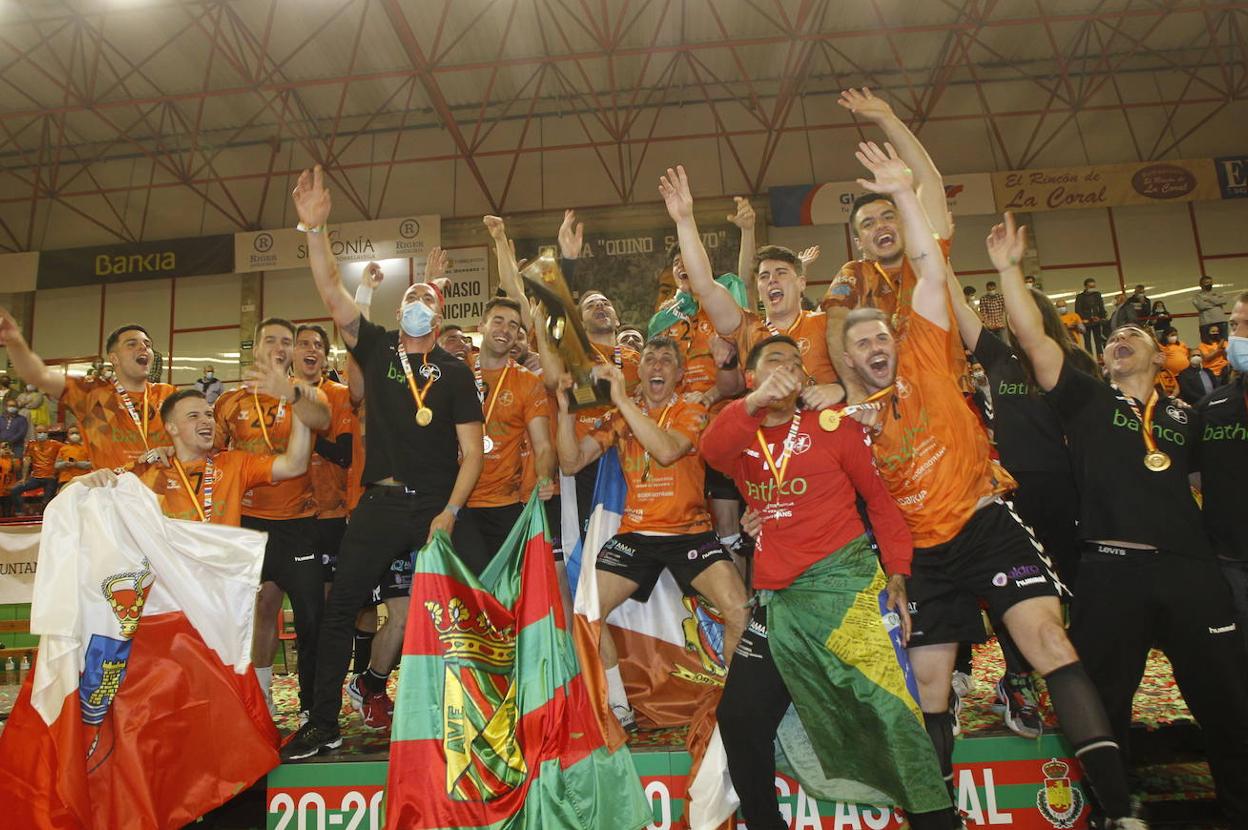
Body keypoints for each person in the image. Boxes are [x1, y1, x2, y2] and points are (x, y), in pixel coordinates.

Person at [841, 143, 1138, 827]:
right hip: (921, 557)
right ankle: (937, 816)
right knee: (930, 686)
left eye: (879, 334)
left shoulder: (924, 350)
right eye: (859, 343)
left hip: (985, 525)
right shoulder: (849, 425)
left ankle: (1120, 811)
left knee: (1051, 646)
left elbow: (923, 263)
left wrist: (905, 193)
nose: (874, 346)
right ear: (848, 359)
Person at [994, 212, 1248, 827]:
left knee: (1227, 701)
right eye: (1112, 336)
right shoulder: (1085, 398)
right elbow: (1035, 340)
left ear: (1161, 354)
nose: (1119, 338)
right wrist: (1008, 270)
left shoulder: (1194, 417)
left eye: (1133, 332)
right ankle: (1115, 809)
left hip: (1191, 573)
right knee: (1105, 699)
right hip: (1110, 570)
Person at [702, 335, 956, 830]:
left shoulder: (832, 426)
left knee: (891, 716)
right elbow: (710, 451)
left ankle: (939, 822)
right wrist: (751, 403)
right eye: (775, 361)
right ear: (752, 377)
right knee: (740, 718)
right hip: (779, 602)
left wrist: (899, 574)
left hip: (845, 587)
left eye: (796, 364)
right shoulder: (740, 437)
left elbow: (881, 505)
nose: (788, 369)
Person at [283, 165, 484, 760]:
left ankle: (472, 713)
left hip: (435, 506)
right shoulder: (376, 348)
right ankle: (323, 721)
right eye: (412, 297)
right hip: (378, 502)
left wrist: (449, 512)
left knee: (465, 609)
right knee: (341, 606)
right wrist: (314, 229)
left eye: (428, 297)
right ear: (401, 310)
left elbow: (472, 453)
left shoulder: (454, 373)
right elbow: (331, 295)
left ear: (440, 314)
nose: (418, 304)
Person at [554, 336, 747, 730]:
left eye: (666, 361)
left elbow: (667, 451)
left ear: (678, 375)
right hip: (637, 535)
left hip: (690, 532)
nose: (657, 366)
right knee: (587, 612)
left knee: (739, 611)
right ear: (638, 372)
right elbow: (571, 463)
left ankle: (738, 708)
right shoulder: (622, 415)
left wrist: (622, 400)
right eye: (650, 360)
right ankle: (620, 708)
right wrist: (562, 412)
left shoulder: (692, 406)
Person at [946, 266, 1098, 739]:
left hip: (1068, 494)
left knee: (1071, 591)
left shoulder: (1076, 366)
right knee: (1016, 590)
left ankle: (1077, 676)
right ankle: (1017, 679)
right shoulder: (1001, 358)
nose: (1015, 318)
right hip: (1012, 495)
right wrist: (935, 246)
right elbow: (961, 309)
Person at [214, 318, 332, 717]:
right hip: (247, 523)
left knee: (311, 616)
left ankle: (311, 705)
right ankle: (259, 697)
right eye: (272, 340)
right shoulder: (229, 402)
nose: (280, 347)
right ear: (256, 347)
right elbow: (209, 450)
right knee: (259, 610)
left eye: (287, 341)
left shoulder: (307, 394)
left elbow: (321, 421)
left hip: (299, 521)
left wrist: (292, 393)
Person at [658, 166, 843, 411]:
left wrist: (841, 388)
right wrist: (685, 221)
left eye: (781, 273)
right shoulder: (748, 330)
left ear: (801, 283)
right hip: (769, 439)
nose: (772, 281)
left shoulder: (827, 323)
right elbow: (705, 287)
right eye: (764, 276)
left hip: (824, 432)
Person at [820, 87, 954, 398]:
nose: (880, 225)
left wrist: (887, 119)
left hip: (944, 394)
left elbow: (930, 182)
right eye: (868, 224)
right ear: (859, 242)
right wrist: (851, 389)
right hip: (885, 400)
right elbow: (836, 324)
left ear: (905, 222)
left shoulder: (926, 257)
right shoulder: (854, 273)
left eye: (887, 217)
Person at [650, 195, 756, 564]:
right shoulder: (663, 317)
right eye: (677, 262)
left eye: (688, 258)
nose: (684, 265)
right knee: (719, 523)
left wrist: (748, 233)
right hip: (690, 430)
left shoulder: (722, 290)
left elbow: (745, 302)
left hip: (733, 413)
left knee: (759, 514)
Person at [76, 388, 313, 527]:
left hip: (222, 582)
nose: (206, 421)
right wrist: (90, 479)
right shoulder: (150, 469)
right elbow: (72, 492)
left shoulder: (234, 463)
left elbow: (295, 465)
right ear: (172, 428)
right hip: (175, 587)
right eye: (193, 416)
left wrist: (301, 408)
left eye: (209, 414)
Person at [455, 297, 555, 572]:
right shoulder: (456, 373)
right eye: (498, 321)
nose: (505, 330)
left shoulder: (527, 382)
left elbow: (543, 446)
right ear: (482, 325)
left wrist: (545, 475)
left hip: (505, 504)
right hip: (457, 501)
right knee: (466, 596)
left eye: (513, 325)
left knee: (504, 592)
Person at [0, 316, 177, 470]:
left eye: (148, 344)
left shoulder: (168, 395)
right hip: (114, 496)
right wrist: (15, 341)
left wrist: (172, 449)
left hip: (163, 496)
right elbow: (39, 375)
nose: (143, 347)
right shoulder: (91, 392)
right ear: (114, 358)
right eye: (132, 344)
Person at [1197, 291, 1248, 653]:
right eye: (1233, 325)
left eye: (1247, 326)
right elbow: (1193, 471)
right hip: (1230, 552)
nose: (1237, 335)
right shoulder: (1214, 404)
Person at [293, 324, 356, 606]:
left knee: (332, 600)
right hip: (290, 513)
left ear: (326, 358)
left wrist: (309, 427)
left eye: (318, 345)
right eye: (304, 344)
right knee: (290, 600)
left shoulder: (340, 394)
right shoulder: (275, 396)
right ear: (291, 353)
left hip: (333, 512)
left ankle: (329, 652)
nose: (312, 349)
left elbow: (345, 454)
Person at [9, 427, 61, 515]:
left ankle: (46, 518)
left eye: (44, 432)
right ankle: (20, 512)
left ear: (47, 433)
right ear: (35, 433)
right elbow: (27, 461)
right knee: (15, 490)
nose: (42, 434)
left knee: (47, 502)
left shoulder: (55, 444)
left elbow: (67, 451)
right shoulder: (31, 444)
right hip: (36, 477)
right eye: (39, 432)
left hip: (50, 478)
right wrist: (24, 478)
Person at [1075, 278, 1108, 357]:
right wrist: (1083, 319)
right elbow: (1078, 310)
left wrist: (1101, 317)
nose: (1092, 288)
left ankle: (1100, 357)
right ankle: (1089, 357)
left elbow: (1101, 307)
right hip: (1086, 322)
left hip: (1096, 321)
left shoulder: (1097, 294)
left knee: (1098, 340)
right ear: (1086, 287)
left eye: (1094, 286)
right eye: (1090, 286)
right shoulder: (1080, 297)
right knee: (1087, 342)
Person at [1193, 275, 1229, 341]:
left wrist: (1209, 299)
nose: (1209, 284)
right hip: (1206, 323)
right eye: (1206, 282)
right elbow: (1201, 306)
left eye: (1210, 282)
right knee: (1207, 343)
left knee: (1224, 342)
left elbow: (1224, 300)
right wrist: (1216, 303)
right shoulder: (1197, 296)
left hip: (1221, 321)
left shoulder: (1218, 292)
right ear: (1201, 284)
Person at [1157, 328, 1189, 397]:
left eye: (1176, 335)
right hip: (1173, 375)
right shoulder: (1161, 346)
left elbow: (1186, 354)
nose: (1174, 337)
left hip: (1185, 373)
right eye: (1172, 335)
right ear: (1166, 336)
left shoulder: (1181, 344)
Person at [0, 442, 17, 518]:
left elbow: (16, 469)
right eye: (3, 448)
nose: (6, 450)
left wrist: (12, 457)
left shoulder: (14, 460)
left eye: (8, 448)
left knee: (7, 514)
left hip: (8, 490)